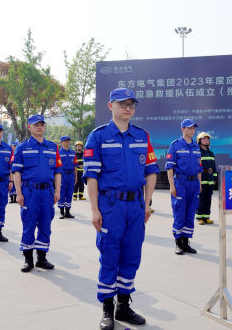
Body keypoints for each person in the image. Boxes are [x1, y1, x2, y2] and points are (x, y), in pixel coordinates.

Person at [83, 88, 159, 330]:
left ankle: (123, 306)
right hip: (110, 206)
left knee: (131, 255)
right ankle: (107, 309)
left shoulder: (141, 136)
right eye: (122, 103)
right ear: (110, 106)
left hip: (135, 207)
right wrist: (94, 209)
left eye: (131, 104)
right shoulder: (98, 137)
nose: (128, 108)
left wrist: (147, 204)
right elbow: (91, 176)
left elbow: (151, 172)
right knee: (109, 255)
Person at [11, 114, 61, 273]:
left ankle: (41, 258)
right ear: (29, 127)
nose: (40, 127)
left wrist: (57, 191)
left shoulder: (52, 147)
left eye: (42, 124)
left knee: (46, 225)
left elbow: (58, 172)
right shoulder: (22, 147)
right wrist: (18, 193)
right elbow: (16, 172)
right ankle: (28, 260)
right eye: (36, 124)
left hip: (47, 192)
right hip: (29, 192)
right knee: (29, 225)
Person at [166, 119, 202, 255]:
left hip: (194, 184)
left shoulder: (196, 146)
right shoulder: (175, 145)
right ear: (182, 129)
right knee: (179, 212)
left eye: (193, 128)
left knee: (190, 212)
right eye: (189, 128)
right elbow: (170, 168)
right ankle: (178, 243)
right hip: (180, 183)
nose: (192, 130)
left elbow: (199, 167)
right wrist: (171, 186)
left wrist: (199, 183)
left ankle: (186, 243)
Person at [195, 131, 216, 225]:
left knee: (208, 198)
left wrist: (214, 178)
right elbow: (195, 166)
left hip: (210, 178)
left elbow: (214, 167)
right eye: (204, 138)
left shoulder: (211, 153)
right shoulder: (197, 152)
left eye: (207, 139)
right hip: (201, 178)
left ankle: (206, 216)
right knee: (201, 198)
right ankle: (199, 217)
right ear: (199, 141)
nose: (206, 140)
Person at [58, 136, 76, 219]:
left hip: (71, 175)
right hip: (62, 175)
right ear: (61, 142)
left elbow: (75, 165)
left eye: (68, 141)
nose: (67, 142)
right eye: (65, 141)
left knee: (69, 193)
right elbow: (56, 166)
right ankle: (62, 212)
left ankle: (68, 212)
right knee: (62, 193)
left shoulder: (73, 152)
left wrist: (76, 176)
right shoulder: (58, 153)